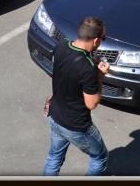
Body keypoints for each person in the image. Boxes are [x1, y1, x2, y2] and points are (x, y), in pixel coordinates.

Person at [43, 17, 110, 176]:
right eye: (103, 38)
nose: (102, 41)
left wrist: (91, 63)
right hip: (76, 125)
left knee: (55, 155)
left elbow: (70, 69)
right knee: (100, 157)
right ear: (95, 41)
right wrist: (99, 76)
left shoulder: (61, 45)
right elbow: (91, 104)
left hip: (55, 115)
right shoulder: (88, 69)